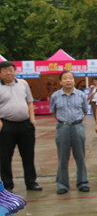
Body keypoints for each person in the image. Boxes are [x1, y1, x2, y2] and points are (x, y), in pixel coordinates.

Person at [0, 61, 42, 193]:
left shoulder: (23, 83)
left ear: (14, 71)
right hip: (6, 125)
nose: (8, 73)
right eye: (5, 70)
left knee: (28, 155)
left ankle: (31, 182)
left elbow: (30, 102)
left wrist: (32, 121)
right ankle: (7, 185)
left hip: (25, 125)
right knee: (5, 157)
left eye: (11, 70)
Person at [50, 70, 90, 194]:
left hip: (78, 127)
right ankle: (62, 185)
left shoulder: (81, 95)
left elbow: (85, 111)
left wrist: (75, 121)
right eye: (65, 78)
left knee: (80, 157)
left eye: (71, 78)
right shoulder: (55, 96)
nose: (68, 80)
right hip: (63, 127)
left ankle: (82, 183)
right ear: (60, 82)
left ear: (74, 81)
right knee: (63, 158)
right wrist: (64, 122)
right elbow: (53, 112)